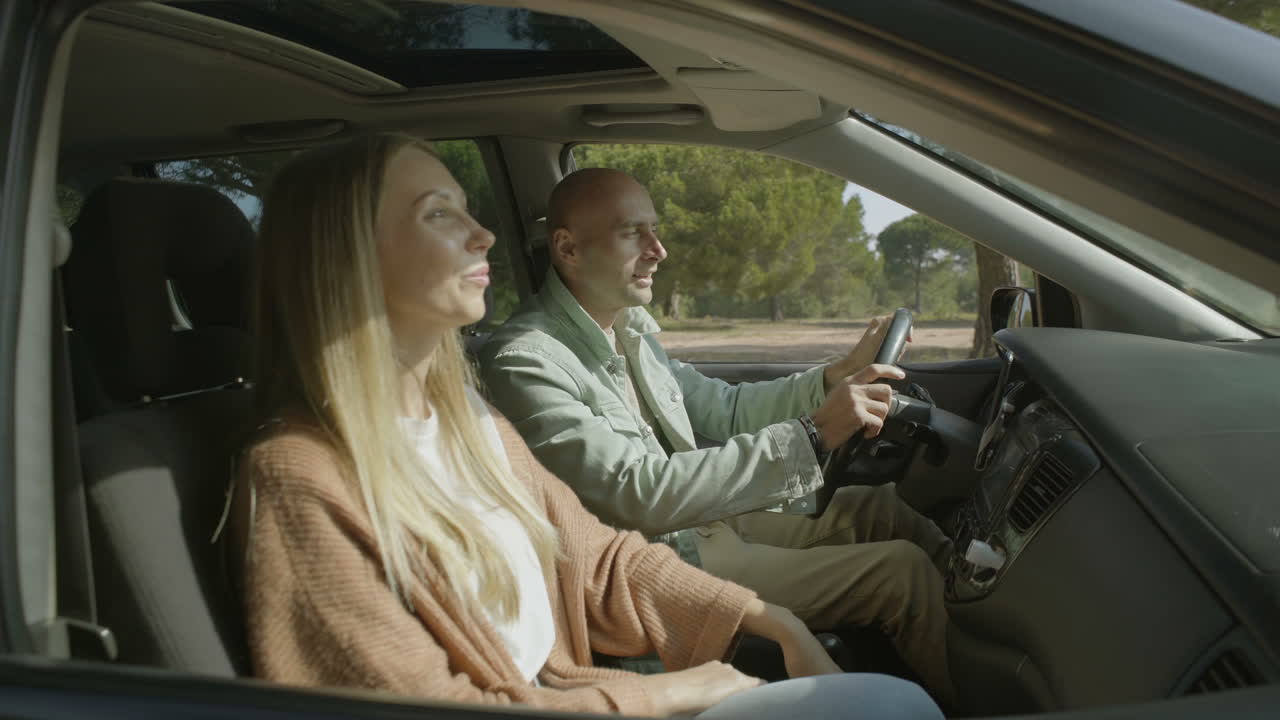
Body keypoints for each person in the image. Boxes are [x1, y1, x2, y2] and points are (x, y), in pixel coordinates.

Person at [229, 133, 943, 719]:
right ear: (350, 255)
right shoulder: (299, 477)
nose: (483, 235)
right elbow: (430, 705)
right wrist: (662, 693)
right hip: (597, 692)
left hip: (586, 684)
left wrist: (767, 619)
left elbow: (603, 560)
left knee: (895, 699)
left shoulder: (471, 425)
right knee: (897, 702)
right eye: (438, 214)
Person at [479, 168, 956, 704]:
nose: (658, 249)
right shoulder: (526, 362)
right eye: (632, 233)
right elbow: (638, 494)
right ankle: (983, 705)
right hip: (659, 562)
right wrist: (815, 433)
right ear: (567, 248)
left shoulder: (627, 332)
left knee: (880, 509)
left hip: (700, 527)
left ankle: (981, 620)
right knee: (902, 573)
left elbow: (725, 408)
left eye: (655, 229)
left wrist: (834, 376)